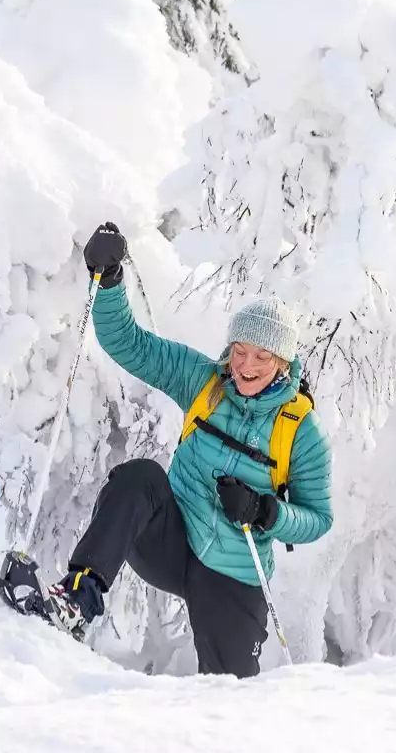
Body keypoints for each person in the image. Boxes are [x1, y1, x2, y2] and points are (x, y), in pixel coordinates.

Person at [36, 222, 334, 677]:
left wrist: (264, 513)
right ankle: (79, 598)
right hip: (172, 544)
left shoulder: (300, 431)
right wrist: (110, 278)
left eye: (262, 356)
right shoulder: (204, 382)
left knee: (230, 694)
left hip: (235, 574)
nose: (246, 366)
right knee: (139, 477)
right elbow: (129, 344)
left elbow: (318, 519)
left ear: (284, 363)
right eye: (239, 351)